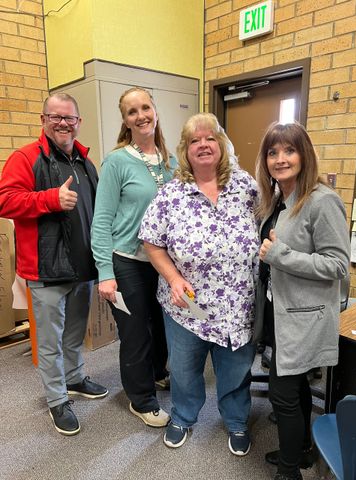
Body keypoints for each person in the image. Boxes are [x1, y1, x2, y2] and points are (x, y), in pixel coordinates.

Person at [139, 113, 259, 453]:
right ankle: (183, 417)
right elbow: (151, 241)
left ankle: (236, 421)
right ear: (186, 150)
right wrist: (173, 277)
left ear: (220, 145)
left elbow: (268, 225)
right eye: (194, 141)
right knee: (184, 369)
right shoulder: (171, 194)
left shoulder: (246, 186)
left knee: (235, 370)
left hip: (237, 303)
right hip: (186, 305)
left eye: (209, 138)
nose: (203, 145)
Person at [0, 93, 108, 436]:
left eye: (70, 118)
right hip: (46, 270)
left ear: (79, 122)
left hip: (82, 267)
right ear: (44, 120)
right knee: (49, 341)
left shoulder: (86, 163)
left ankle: (74, 378)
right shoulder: (26, 158)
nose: (63, 123)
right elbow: (4, 200)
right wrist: (50, 199)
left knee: (75, 332)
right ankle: (56, 399)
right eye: (56, 117)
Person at [254, 122, 350, 480]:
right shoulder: (281, 197)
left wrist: (280, 254)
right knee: (295, 387)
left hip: (304, 316)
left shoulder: (322, 200)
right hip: (282, 310)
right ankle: (304, 451)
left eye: (289, 150)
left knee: (282, 394)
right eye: (272, 152)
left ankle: (290, 471)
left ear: (303, 154)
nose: (280, 159)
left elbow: (337, 265)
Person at [91, 87, 177, 428]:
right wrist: (104, 272)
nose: (140, 115)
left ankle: (156, 372)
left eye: (145, 107)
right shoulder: (116, 161)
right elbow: (101, 220)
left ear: (155, 110)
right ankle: (141, 400)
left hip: (162, 262)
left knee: (160, 326)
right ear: (125, 121)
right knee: (136, 332)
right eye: (132, 111)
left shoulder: (171, 162)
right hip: (126, 261)